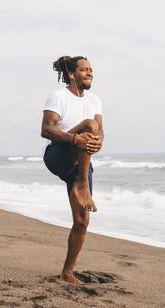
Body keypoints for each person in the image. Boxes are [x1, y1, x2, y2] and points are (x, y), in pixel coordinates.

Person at [40, 55, 104, 285]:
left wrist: (97, 144)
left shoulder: (95, 101)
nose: (89, 73)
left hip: (81, 162)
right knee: (87, 125)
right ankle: (82, 184)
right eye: (84, 69)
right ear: (71, 74)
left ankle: (67, 272)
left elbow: (100, 133)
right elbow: (46, 129)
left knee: (81, 221)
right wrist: (74, 138)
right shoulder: (58, 97)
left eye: (91, 69)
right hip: (58, 155)